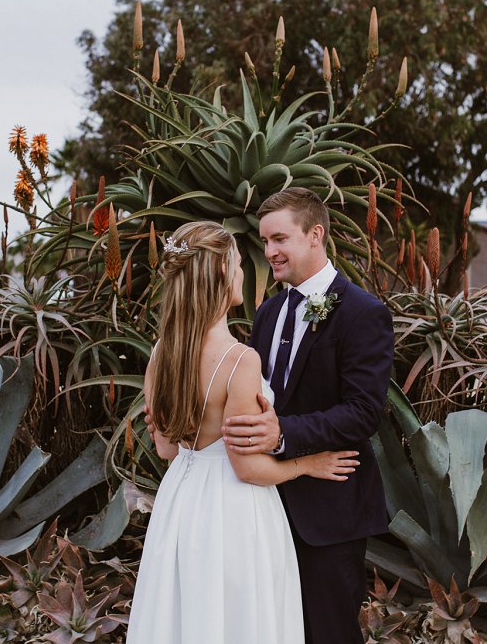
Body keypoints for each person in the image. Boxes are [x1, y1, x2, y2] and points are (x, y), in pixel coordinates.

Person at [127, 220, 360, 644]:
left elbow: (165, 449)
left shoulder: (162, 351)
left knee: (188, 615)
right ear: (219, 273)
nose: (240, 272)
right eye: (235, 264)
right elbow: (248, 469)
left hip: (180, 501)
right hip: (233, 511)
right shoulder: (239, 360)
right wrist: (309, 464)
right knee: (239, 619)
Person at [222, 187, 394, 644]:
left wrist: (282, 434)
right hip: (265, 503)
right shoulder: (269, 313)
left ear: (315, 234)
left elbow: (362, 414)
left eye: (280, 239)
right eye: (265, 242)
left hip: (329, 509)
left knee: (329, 632)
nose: (270, 252)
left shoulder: (363, 313)